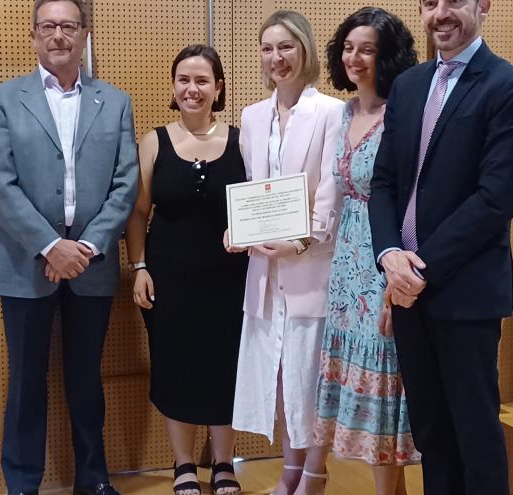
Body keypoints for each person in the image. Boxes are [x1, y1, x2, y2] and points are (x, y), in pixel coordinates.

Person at [368, 0, 513, 493]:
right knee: (431, 433)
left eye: (455, 1)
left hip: (462, 293)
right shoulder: (409, 84)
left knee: (474, 433)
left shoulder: (510, 88)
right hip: (404, 288)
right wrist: (388, 257)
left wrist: (419, 269)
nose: (440, 13)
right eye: (429, 3)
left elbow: (494, 200)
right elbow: (384, 183)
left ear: (484, 5)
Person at [0, 0, 138, 493]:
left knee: (86, 380)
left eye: (68, 26)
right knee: (27, 381)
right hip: (25, 262)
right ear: (33, 35)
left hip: (91, 262)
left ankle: (93, 480)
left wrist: (85, 246)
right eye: (48, 26)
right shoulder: (4, 99)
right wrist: (51, 246)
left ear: (84, 34)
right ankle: (22, 484)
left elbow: (126, 183)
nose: (58, 35)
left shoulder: (114, 101)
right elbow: (0, 185)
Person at [224, 10, 343, 495]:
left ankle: (313, 475)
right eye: (268, 48)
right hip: (264, 268)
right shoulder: (252, 117)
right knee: (280, 378)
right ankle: (290, 472)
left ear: (306, 50)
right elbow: (257, 190)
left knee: (309, 378)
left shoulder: (333, 112)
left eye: (287, 47)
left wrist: (304, 238)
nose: (277, 58)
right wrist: (237, 230)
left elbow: (333, 190)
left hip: (313, 263)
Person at [125, 44, 248, 495]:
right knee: (174, 366)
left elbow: (258, 206)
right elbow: (138, 213)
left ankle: (222, 463)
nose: (191, 89)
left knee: (225, 367)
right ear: (173, 89)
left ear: (218, 89)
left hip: (231, 279)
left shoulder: (241, 140)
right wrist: (138, 265)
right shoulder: (153, 141)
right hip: (167, 278)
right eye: (183, 80)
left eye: (202, 81)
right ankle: (182, 465)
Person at [313, 7, 420, 495]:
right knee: (362, 384)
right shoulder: (343, 112)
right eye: (348, 48)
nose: (354, 58)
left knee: (386, 389)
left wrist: (393, 280)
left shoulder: (403, 113)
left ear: (388, 55)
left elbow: (408, 198)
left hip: (384, 258)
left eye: (368, 49)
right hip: (345, 266)